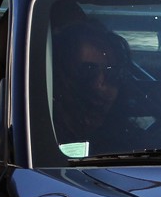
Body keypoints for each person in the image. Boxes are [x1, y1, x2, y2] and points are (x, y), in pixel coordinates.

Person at [51, 18, 138, 153]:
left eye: (112, 73)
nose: (101, 84)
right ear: (60, 75)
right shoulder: (32, 134)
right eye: (88, 71)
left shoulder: (133, 145)